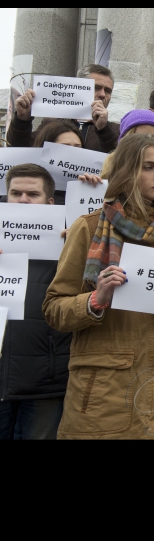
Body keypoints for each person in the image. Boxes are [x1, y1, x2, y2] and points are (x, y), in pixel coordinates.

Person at [42, 133, 154, 439]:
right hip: (106, 394)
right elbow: (53, 308)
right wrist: (95, 300)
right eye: (149, 167)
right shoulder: (88, 227)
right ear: (127, 171)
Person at [0, 164, 73, 440]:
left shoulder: (69, 246)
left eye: (33, 194)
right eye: (16, 193)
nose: (23, 200)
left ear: (50, 202)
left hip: (45, 381)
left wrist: (73, 254)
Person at [8, 64, 120, 153]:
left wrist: (104, 130)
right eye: (96, 88)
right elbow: (20, 151)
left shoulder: (116, 130)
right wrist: (22, 120)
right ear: (78, 87)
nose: (103, 95)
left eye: (108, 91)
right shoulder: (51, 123)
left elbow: (122, 163)